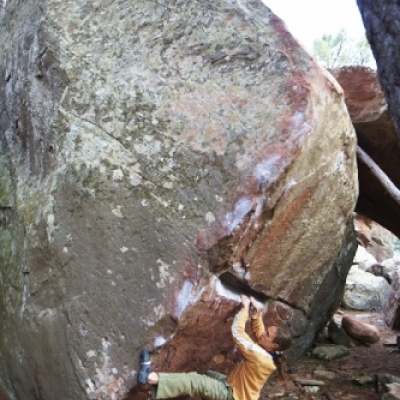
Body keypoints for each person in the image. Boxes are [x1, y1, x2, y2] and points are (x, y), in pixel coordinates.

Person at [137, 295, 292, 400]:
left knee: (195, 381)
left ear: (274, 345)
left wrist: (244, 310)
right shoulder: (270, 352)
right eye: (267, 330)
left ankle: (149, 378)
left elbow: (238, 333)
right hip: (232, 386)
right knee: (207, 374)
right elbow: (259, 333)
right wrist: (256, 314)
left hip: (231, 395)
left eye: (268, 334)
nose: (263, 333)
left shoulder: (261, 357)